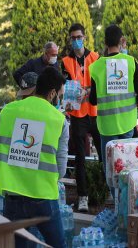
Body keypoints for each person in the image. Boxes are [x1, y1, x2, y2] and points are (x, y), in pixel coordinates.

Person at [0, 67, 69, 248]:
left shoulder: (8, 111)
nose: (60, 99)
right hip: (44, 197)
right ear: (52, 93)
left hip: (13, 196)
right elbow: (62, 169)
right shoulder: (59, 119)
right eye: (60, 95)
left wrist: (16, 168)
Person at [89, 24, 138, 192]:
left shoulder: (96, 66)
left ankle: (115, 205)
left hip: (107, 127)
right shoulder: (130, 62)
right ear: (122, 41)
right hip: (127, 124)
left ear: (105, 43)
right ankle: (127, 204)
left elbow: (93, 100)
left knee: (111, 170)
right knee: (128, 167)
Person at [61, 23, 102, 212]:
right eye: (73, 38)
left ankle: (105, 191)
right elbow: (64, 87)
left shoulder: (95, 58)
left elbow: (101, 85)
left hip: (95, 112)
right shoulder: (65, 62)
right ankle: (83, 197)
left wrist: (88, 91)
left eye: (79, 37)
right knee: (80, 158)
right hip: (77, 114)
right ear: (70, 40)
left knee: (104, 154)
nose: (76, 41)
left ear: (85, 37)